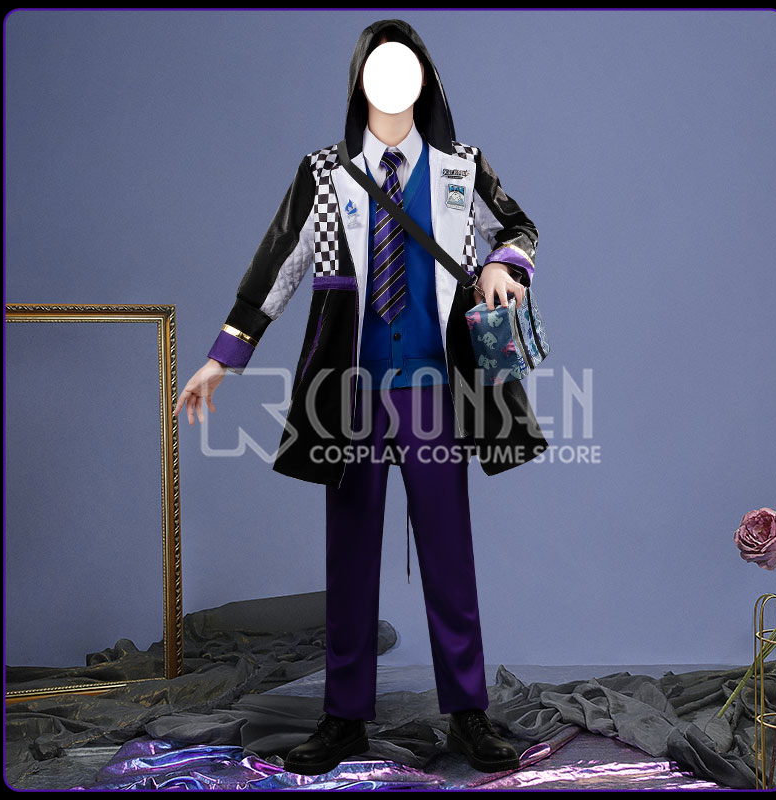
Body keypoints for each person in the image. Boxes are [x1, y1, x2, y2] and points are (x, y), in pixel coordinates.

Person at [174, 18, 548, 776]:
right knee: (348, 556)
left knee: (449, 553)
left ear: (424, 79)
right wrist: (223, 357)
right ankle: (343, 718)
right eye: (379, 67)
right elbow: (277, 266)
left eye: (405, 66)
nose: (393, 80)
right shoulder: (324, 174)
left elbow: (519, 227)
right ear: (359, 83)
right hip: (347, 393)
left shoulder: (461, 167)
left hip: (436, 389)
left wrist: (504, 264)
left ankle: (468, 715)